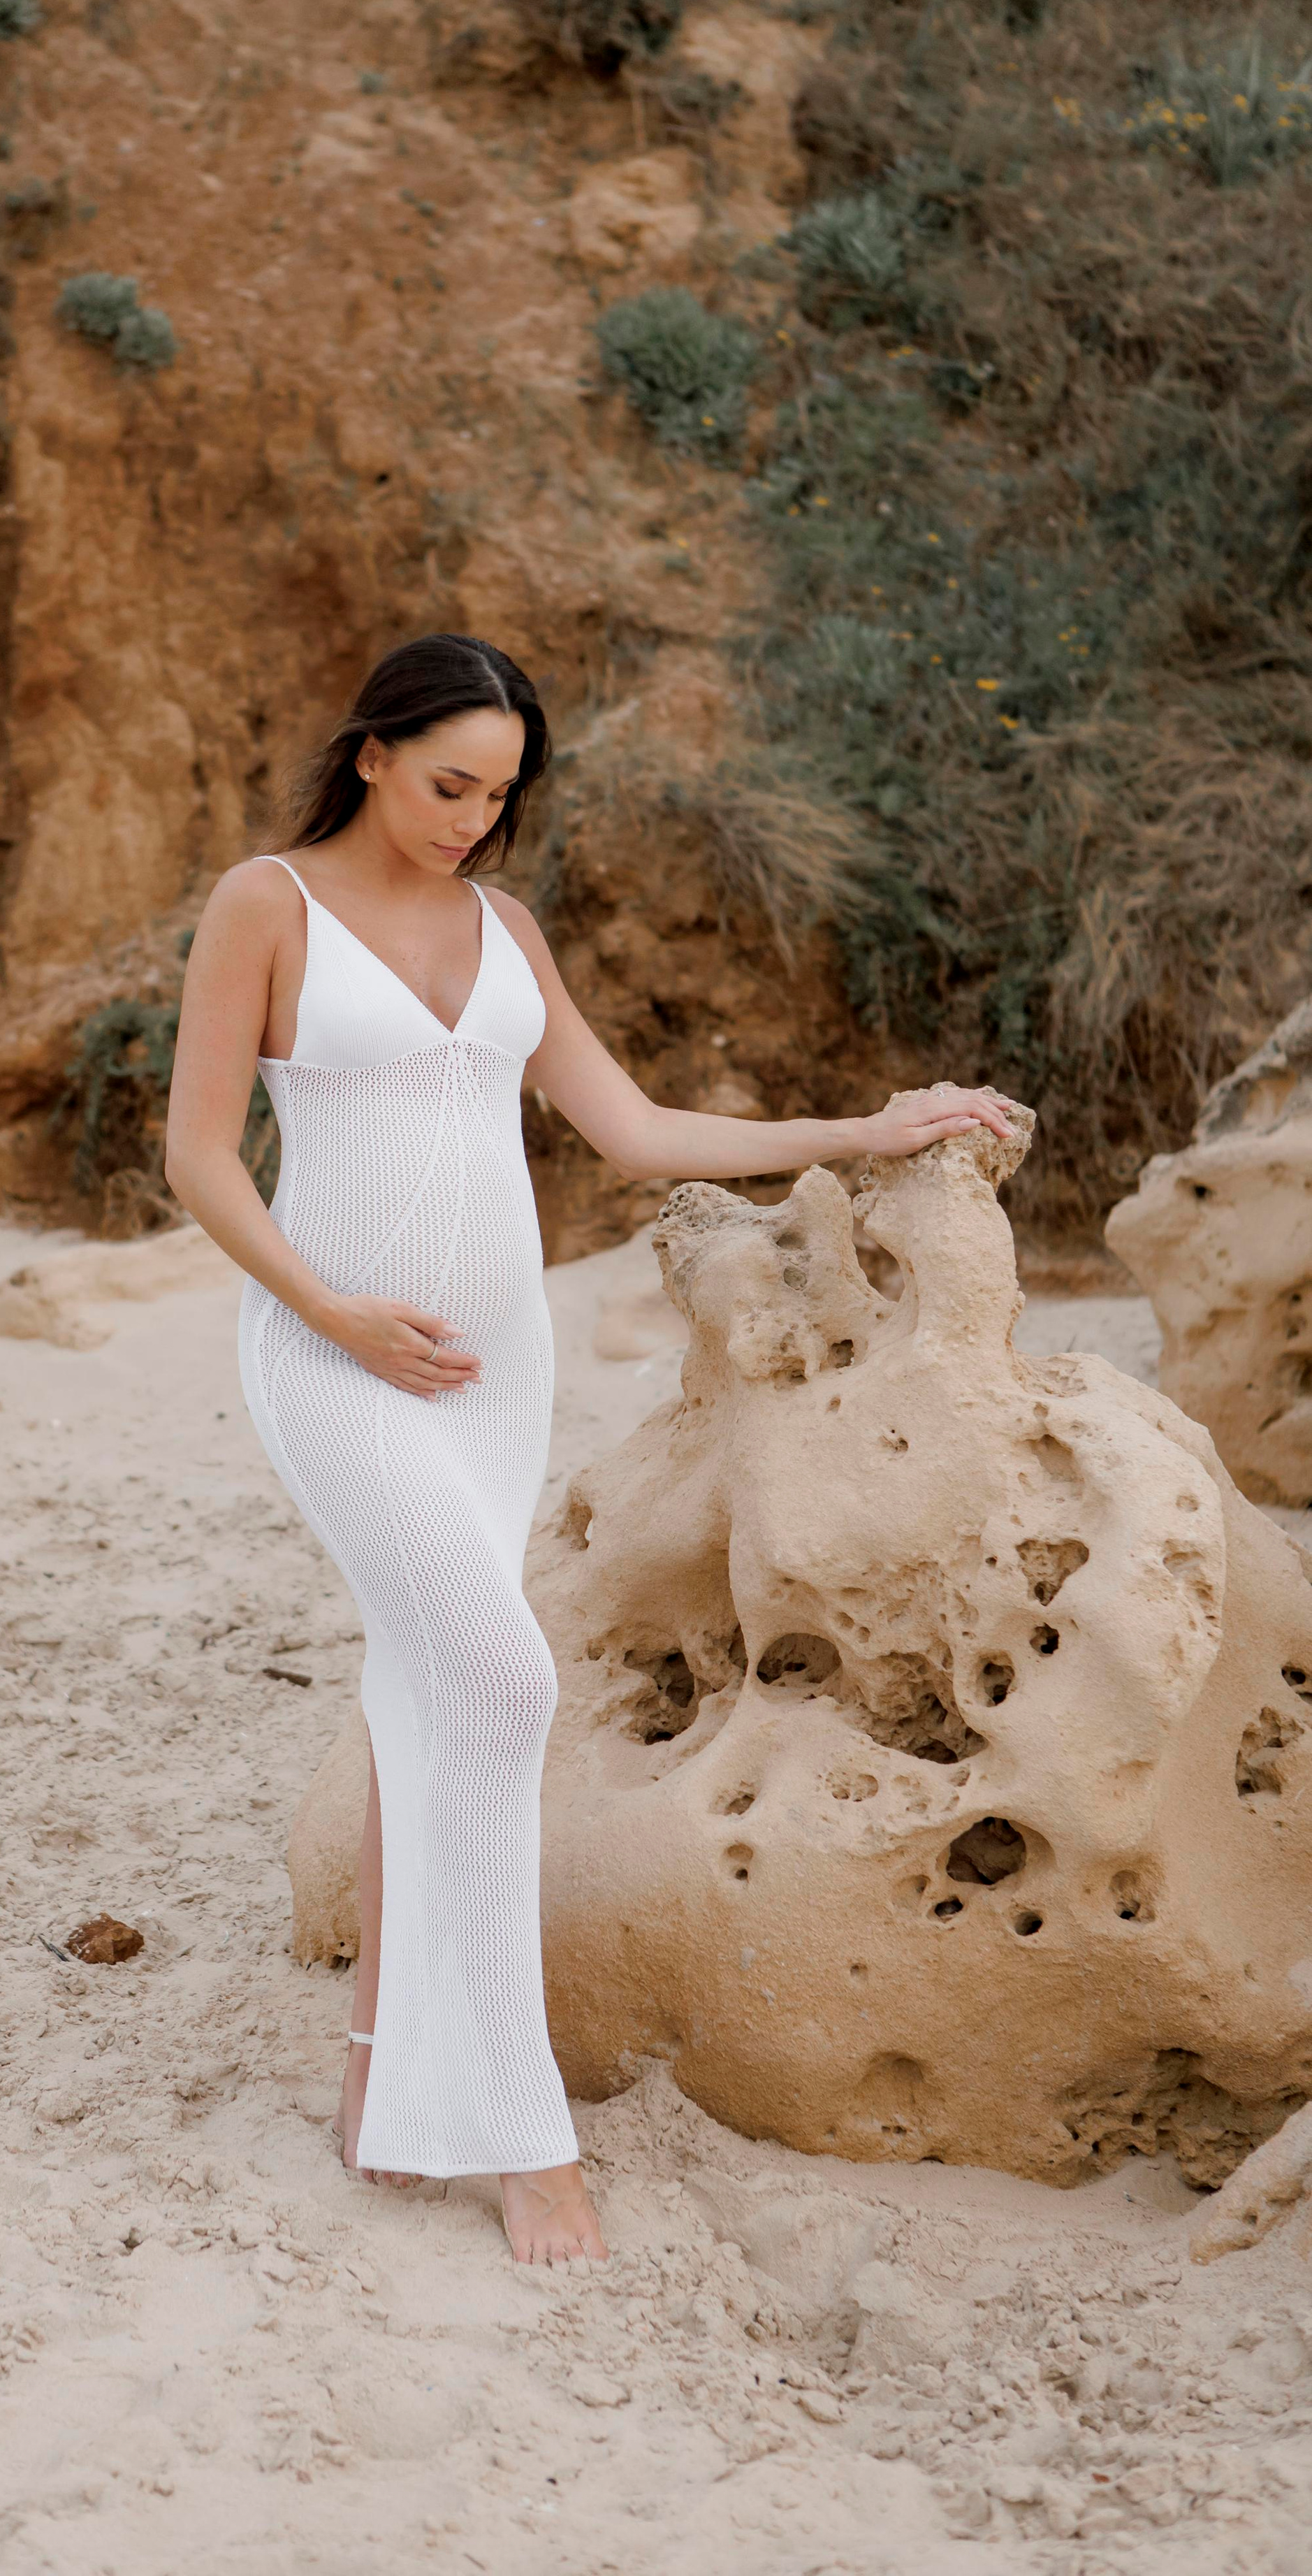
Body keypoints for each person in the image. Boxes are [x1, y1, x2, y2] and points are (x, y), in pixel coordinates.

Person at [164, 633, 1014, 2267]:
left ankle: (377, 2083)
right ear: (370, 755)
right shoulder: (264, 903)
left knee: (431, 1695)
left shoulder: (504, 930)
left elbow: (631, 1132)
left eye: (496, 793)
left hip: (496, 1370)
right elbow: (199, 1154)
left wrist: (866, 1130)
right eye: (443, 784)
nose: (470, 820)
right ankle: (508, 2131)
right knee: (501, 1683)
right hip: (333, 1358)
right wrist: (332, 1312)